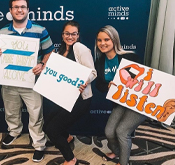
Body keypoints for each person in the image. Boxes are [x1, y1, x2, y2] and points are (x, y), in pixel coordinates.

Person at [0, 0, 54, 162]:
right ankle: (14, 131)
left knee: (35, 114)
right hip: (9, 80)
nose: (19, 10)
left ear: (28, 10)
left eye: (22, 7)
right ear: (10, 10)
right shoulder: (3, 31)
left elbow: (49, 52)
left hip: (32, 81)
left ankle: (38, 144)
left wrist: (42, 64)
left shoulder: (40, 30)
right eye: (16, 7)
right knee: (11, 111)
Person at [43, 21, 97, 165]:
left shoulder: (79, 48)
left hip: (80, 99)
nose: (70, 36)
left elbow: (93, 72)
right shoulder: (60, 51)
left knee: (52, 129)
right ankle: (67, 137)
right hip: (65, 98)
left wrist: (85, 81)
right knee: (46, 124)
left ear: (78, 35)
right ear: (62, 35)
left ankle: (70, 159)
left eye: (74, 34)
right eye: (67, 33)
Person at [94, 25, 147, 165]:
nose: (102, 43)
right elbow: (99, 85)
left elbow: (146, 81)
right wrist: (108, 86)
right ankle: (117, 152)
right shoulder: (99, 62)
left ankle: (124, 162)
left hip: (138, 104)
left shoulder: (130, 57)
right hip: (120, 103)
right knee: (109, 132)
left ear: (114, 40)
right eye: (99, 40)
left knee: (122, 132)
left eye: (107, 39)